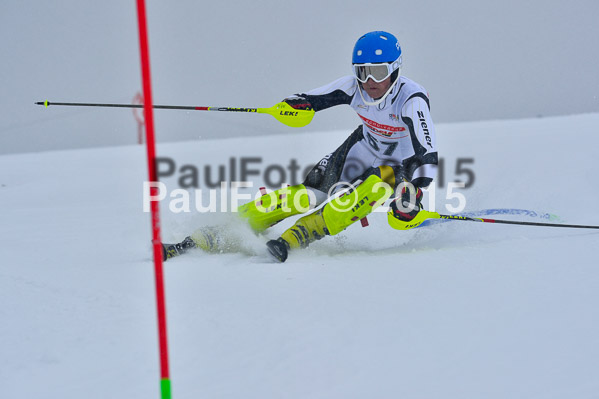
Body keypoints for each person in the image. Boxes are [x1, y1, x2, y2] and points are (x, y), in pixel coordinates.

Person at [162, 31, 438, 262]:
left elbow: (426, 153)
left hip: (400, 164)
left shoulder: (411, 98)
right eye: (362, 72)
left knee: (368, 191)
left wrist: (414, 189)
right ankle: (218, 232)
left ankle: (300, 234)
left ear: (395, 69)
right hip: (364, 146)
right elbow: (311, 99)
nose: (369, 82)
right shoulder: (354, 87)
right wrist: (294, 104)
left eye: (378, 72)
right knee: (308, 194)